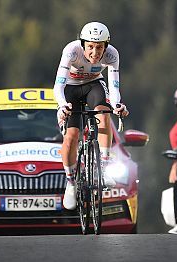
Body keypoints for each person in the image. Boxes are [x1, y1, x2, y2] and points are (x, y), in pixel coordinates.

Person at [53, 21, 129, 210]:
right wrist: (62, 106)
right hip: (70, 88)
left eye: (99, 47)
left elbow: (114, 86)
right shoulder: (71, 50)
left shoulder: (112, 54)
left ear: (106, 46)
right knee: (71, 137)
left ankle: (103, 168)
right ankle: (71, 183)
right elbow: (58, 86)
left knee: (104, 115)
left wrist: (117, 105)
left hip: (94, 85)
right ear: (83, 44)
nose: (95, 53)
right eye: (91, 47)